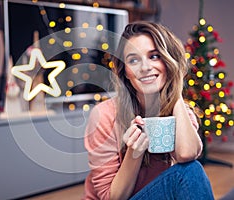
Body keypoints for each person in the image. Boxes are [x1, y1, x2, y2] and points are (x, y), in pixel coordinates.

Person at [83, 21, 214, 200]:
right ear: (125, 72)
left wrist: (174, 94)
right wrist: (134, 152)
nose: (145, 68)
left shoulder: (179, 111)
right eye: (134, 60)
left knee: (191, 169)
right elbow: (112, 197)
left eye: (154, 56)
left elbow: (186, 154)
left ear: (168, 62)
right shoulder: (104, 115)